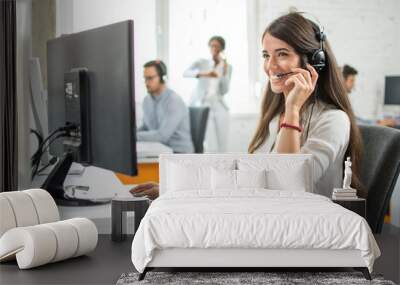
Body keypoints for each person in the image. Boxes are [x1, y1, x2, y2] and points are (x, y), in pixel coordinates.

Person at [130, 12, 364, 199]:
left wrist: (292, 110)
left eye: (282, 54)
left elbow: (287, 188)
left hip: (305, 231)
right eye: (265, 55)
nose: (270, 66)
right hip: (268, 217)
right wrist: (178, 189)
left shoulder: (333, 120)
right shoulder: (277, 116)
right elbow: (250, 176)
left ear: (315, 62)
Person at [183, 36, 232, 152]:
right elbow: (185, 73)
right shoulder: (201, 62)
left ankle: (224, 166)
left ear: (222, 49)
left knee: (223, 142)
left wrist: (224, 72)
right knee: (209, 142)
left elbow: (225, 90)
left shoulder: (227, 66)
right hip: (204, 104)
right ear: (209, 47)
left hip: (219, 105)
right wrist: (205, 74)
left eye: (218, 46)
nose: (215, 48)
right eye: (212, 45)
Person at [137, 60, 194, 153]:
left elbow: (162, 136)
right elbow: (146, 127)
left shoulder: (173, 101)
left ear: (163, 78)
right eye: (145, 78)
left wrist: (133, 136)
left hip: (178, 154)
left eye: (150, 78)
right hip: (159, 150)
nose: (146, 83)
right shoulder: (147, 100)